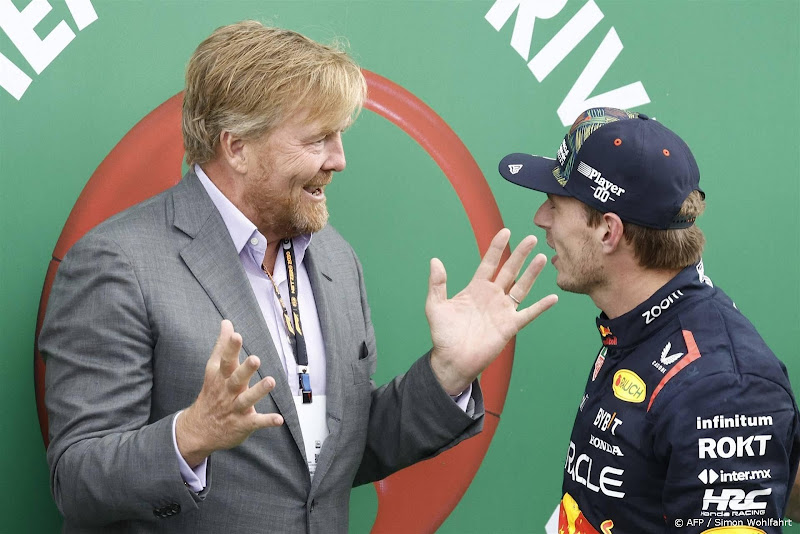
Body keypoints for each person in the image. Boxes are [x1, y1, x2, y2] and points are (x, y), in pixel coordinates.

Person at [40, 21, 558, 533]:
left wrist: (448, 374)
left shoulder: (335, 260)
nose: (339, 160)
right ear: (237, 146)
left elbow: (336, 457)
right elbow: (77, 480)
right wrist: (190, 436)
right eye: (317, 140)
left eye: (339, 137)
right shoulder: (118, 262)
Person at [498, 107, 800, 533]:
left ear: (608, 231)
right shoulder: (638, 328)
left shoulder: (721, 386)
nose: (540, 218)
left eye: (553, 204)